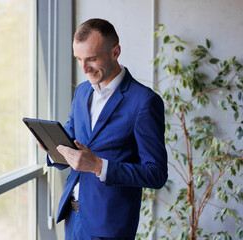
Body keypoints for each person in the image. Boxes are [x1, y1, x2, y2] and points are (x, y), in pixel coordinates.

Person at [45, 18, 168, 239]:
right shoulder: (82, 92)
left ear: (115, 52)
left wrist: (100, 166)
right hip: (72, 219)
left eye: (91, 58)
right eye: (79, 59)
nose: (84, 68)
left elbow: (156, 174)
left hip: (110, 226)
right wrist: (51, 146)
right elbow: (72, 142)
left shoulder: (144, 102)